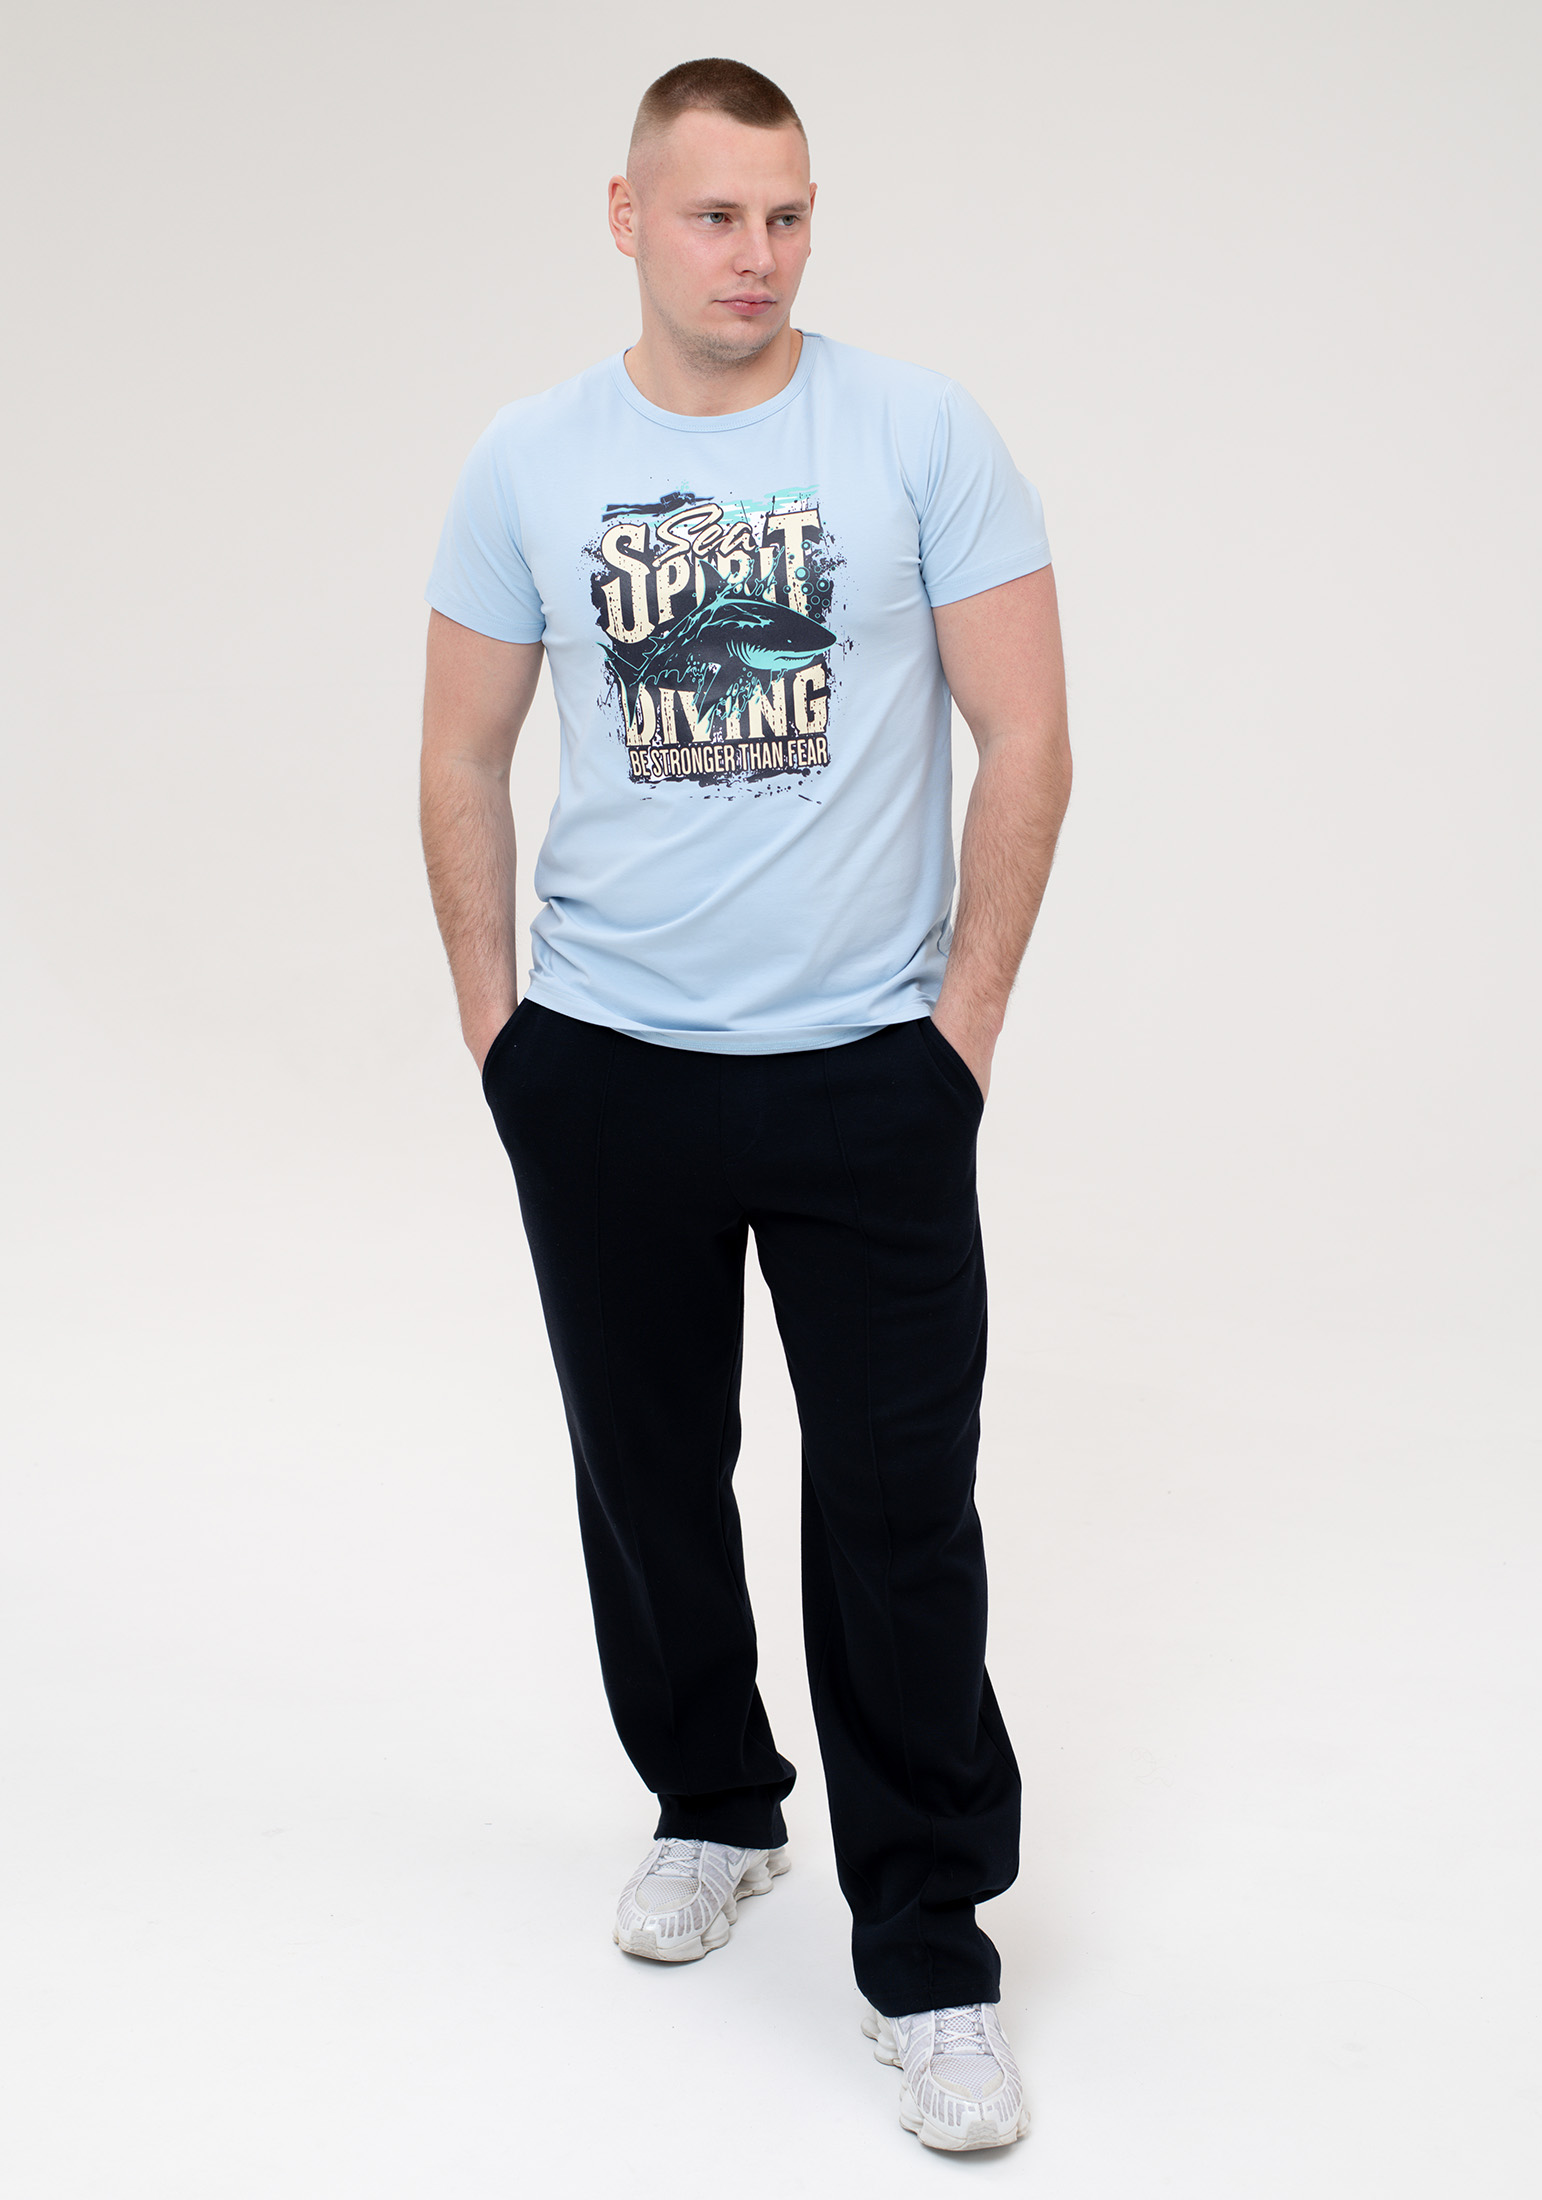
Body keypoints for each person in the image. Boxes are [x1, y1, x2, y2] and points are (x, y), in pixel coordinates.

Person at [419, 56, 1071, 2153]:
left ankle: (931, 1949)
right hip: (606, 1066)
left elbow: (1029, 736)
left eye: (786, 215)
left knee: (897, 1512)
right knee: (648, 1472)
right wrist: (501, 1035)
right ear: (627, 216)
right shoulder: (530, 458)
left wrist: (956, 1039)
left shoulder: (918, 432)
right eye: (714, 215)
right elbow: (459, 751)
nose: (756, 256)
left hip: (869, 1071)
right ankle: (712, 1802)